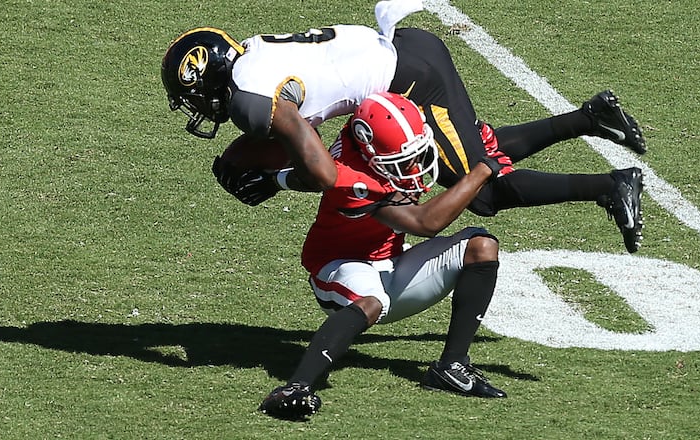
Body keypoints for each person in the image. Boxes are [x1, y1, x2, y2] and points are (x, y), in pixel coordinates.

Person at [160, 0, 645, 253]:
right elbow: (301, 133)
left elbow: (325, 174)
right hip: (405, 54)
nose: (196, 108)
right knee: (479, 150)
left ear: (209, 80)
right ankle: (591, 118)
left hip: (410, 83)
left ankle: (609, 185)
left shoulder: (248, 101)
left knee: (481, 191)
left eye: (193, 97)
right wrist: (269, 167)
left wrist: (277, 179)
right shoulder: (252, 60)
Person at [258, 92, 511, 421]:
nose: (413, 166)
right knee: (371, 301)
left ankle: (452, 366)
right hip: (339, 268)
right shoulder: (348, 176)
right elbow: (425, 223)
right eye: (401, 158)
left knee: (481, 246)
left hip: (392, 262)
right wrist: (482, 170)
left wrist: (578, 123)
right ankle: (295, 387)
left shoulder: (382, 138)